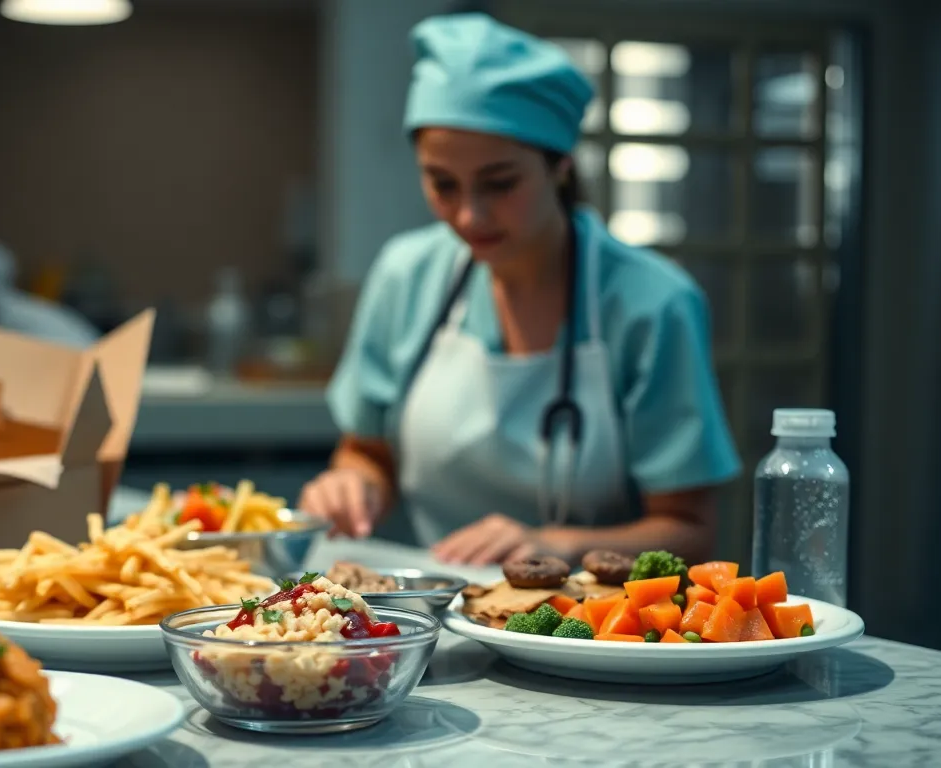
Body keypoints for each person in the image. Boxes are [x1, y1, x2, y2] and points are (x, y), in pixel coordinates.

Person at [298, 13, 741, 566]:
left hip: (593, 631)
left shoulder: (652, 305)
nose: (468, 214)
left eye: (500, 183)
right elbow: (367, 451)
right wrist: (353, 483)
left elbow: (691, 530)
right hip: (432, 614)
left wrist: (558, 546)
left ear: (559, 164)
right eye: (442, 184)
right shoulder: (405, 275)